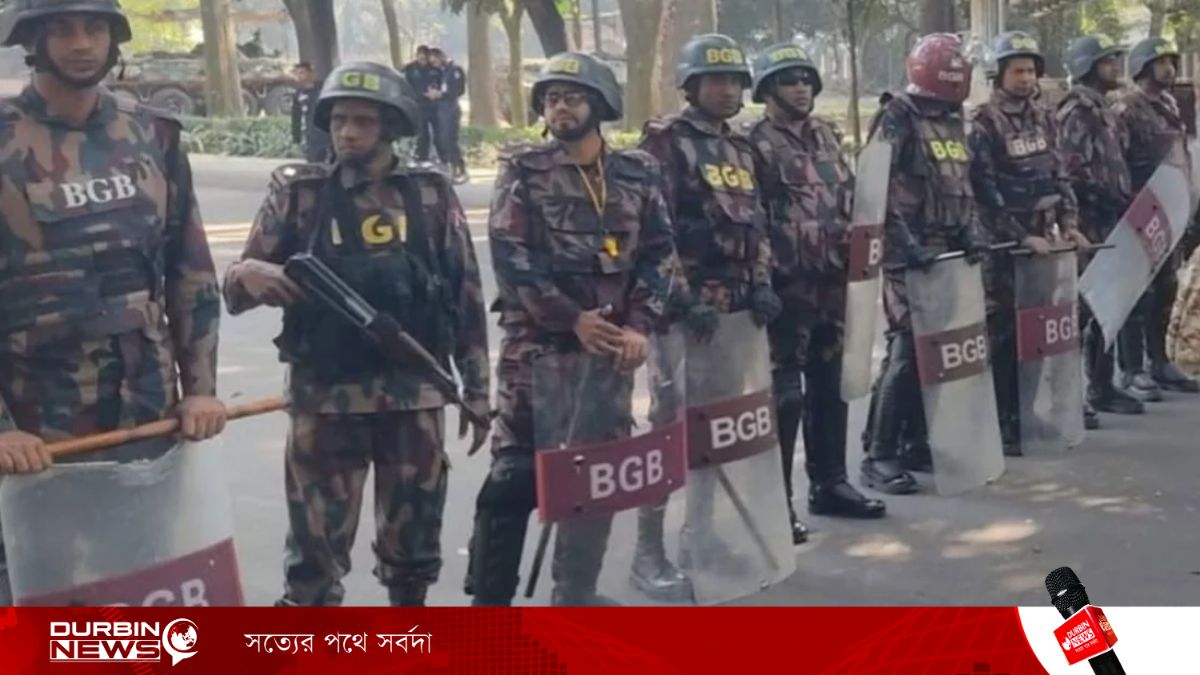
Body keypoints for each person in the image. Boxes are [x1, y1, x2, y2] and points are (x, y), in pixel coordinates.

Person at [223, 62, 490, 607]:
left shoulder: (429, 194)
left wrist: (479, 389)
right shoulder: (299, 193)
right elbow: (236, 288)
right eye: (340, 120)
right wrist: (248, 273)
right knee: (313, 562)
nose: (347, 132)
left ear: (391, 126)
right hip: (325, 401)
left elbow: (464, 294)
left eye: (363, 122)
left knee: (413, 556)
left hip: (413, 397)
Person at [0, 0, 226, 600]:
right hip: (35, 433)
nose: (82, 43)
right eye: (63, 29)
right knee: (39, 605)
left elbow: (190, 270)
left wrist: (200, 387)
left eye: (95, 27)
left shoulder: (153, 134)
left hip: (143, 415)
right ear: (32, 40)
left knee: (141, 584)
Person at [465, 52, 683, 606]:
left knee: (594, 479)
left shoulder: (637, 172)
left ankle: (575, 595)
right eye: (551, 99)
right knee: (514, 477)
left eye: (573, 97)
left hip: (610, 354)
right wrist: (571, 318)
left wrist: (638, 327)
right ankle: (490, 610)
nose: (560, 107)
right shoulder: (524, 169)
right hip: (537, 351)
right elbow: (511, 257)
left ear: (601, 104)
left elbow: (660, 253)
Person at [628, 33, 780, 599]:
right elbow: (654, 231)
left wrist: (761, 284)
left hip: (735, 314)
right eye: (715, 80)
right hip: (682, 315)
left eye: (735, 80)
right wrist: (681, 299)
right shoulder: (666, 142)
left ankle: (702, 536)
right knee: (669, 431)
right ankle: (648, 553)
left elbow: (757, 223)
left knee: (719, 427)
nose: (727, 89)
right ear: (690, 85)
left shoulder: (742, 147)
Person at [748, 44, 887, 531]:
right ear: (768, 89)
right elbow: (751, 218)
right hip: (788, 287)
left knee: (831, 385)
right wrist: (760, 279)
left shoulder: (825, 135)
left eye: (807, 79)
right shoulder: (755, 143)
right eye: (789, 80)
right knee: (784, 397)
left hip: (832, 281)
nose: (801, 87)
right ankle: (776, 504)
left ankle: (830, 483)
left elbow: (848, 196)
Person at [860, 34, 988, 494]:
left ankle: (914, 441)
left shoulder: (952, 120)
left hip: (946, 251)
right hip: (907, 253)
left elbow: (961, 183)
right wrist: (906, 244)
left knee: (935, 349)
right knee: (905, 350)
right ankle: (879, 453)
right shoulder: (897, 115)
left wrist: (971, 230)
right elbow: (876, 187)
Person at [967, 32, 1088, 455]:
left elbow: (1060, 176)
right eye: (1017, 71)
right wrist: (1020, 236)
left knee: (1035, 332)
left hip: (1044, 245)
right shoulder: (983, 123)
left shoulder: (1044, 117)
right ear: (999, 74)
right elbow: (983, 193)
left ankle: (1026, 412)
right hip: (1004, 248)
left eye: (1031, 70)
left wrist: (1069, 224)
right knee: (1003, 334)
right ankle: (1003, 420)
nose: (1026, 78)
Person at [1057, 35, 1146, 419]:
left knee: (1107, 307)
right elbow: (1070, 169)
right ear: (1087, 67)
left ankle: (1102, 386)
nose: (1114, 66)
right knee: (1081, 312)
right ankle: (1071, 398)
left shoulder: (1104, 108)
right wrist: (1105, 198)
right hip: (1089, 221)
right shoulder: (1077, 111)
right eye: (1107, 61)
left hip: (1111, 220)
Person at [1112, 37, 1200, 396]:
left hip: (1168, 208)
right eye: (1160, 62)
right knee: (1138, 294)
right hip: (1138, 209)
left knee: (1166, 287)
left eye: (1171, 62)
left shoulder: (1169, 104)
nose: (1169, 69)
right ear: (1143, 67)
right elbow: (1116, 160)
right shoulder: (1126, 108)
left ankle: (1159, 361)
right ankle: (1132, 369)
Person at [431, 48, 467, 183]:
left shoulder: (455, 70)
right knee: (441, 139)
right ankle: (448, 166)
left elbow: (459, 90)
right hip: (441, 109)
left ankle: (459, 166)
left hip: (451, 108)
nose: (434, 64)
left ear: (441, 57)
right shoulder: (442, 72)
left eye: (435, 60)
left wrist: (442, 94)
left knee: (449, 139)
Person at [404, 46, 443, 164]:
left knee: (439, 133)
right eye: (420, 57)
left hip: (434, 105)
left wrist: (436, 93)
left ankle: (442, 157)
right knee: (422, 133)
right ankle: (422, 157)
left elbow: (442, 84)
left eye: (425, 58)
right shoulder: (410, 69)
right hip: (418, 104)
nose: (423, 60)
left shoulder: (435, 69)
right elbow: (406, 86)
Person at [290, 61, 330, 162]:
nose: (299, 76)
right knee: (313, 163)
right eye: (296, 73)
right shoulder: (298, 94)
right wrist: (296, 139)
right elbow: (296, 117)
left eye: (302, 72)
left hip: (325, 134)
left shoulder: (323, 89)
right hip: (310, 136)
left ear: (311, 73)